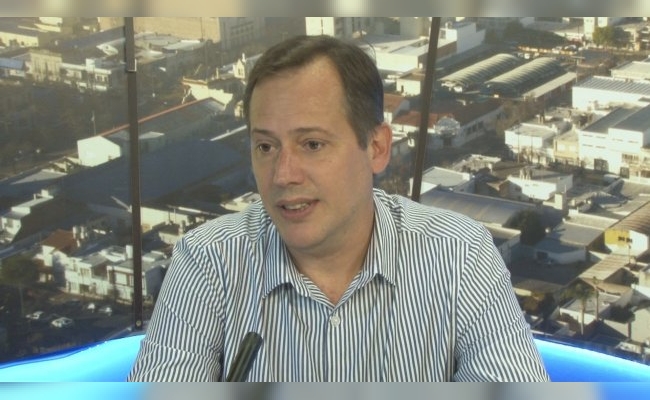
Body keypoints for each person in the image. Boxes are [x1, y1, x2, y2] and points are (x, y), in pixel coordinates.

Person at [128, 34, 549, 382]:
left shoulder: (460, 255)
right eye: (266, 147)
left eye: (312, 144)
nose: (283, 175)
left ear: (377, 148)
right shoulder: (208, 261)